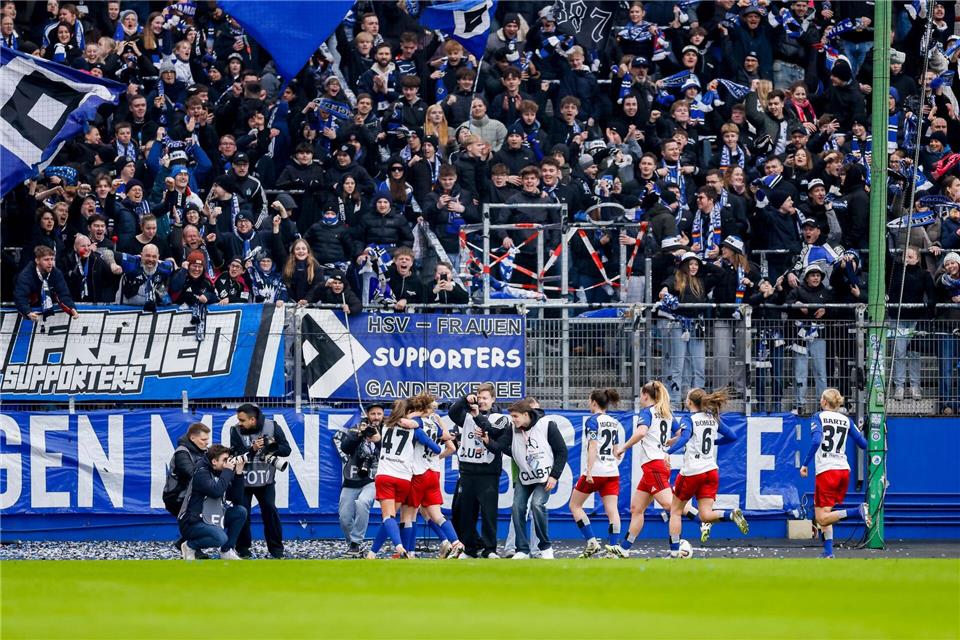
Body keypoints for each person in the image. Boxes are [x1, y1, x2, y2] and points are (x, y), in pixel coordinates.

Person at [614, 381, 701, 554]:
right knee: (636, 508)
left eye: (641, 395)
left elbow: (641, 432)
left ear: (646, 396)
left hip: (653, 465)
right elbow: (682, 434)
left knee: (671, 505)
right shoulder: (666, 412)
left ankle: (702, 520)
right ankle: (624, 548)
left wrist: (623, 448)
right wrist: (670, 442)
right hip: (657, 465)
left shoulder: (647, 412)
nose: (640, 398)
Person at [666, 388, 749, 557]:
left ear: (690, 402)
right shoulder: (712, 418)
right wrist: (714, 442)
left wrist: (668, 452)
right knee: (705, 515)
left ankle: (674, 553)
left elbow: (685, 437)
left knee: (675, 511)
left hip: (692, 471)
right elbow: (732, 436)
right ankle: (730, 514)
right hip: (711, 471)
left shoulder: (689, 419)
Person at [483, 397, 568, 560]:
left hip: (545, 476)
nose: (513, 420)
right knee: (517, 508)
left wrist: (554, 476)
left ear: (526, 414)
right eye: (511, 416)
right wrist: (487, 441)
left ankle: (545, 547)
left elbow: (561, 451)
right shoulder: (512, 429)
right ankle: (522, 549)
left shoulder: (547, 425)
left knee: (537, 505)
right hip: (525, 476)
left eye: (515, 416)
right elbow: (500, 447)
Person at [800, 389, 871, 558]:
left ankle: (856, 511)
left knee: (821, 518)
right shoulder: (846, 420)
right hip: (843, 470)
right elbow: (863, 444)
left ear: (824, 402)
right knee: (826, 513)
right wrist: (863, 430)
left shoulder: (819, 417)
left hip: (827, 471)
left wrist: (805, 464)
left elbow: (816, 440)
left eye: (821, 398)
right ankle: (828, 553)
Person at [367, 399, 443, 559]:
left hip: (385, 475)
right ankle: (372, 553)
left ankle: (399, 547)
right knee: (392, 517)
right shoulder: (415, 429)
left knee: (388, 517)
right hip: (404, 478)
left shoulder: (385, 425)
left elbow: (376, 435)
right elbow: (436, 449)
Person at [448, 383, 509, 559]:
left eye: (485, 398)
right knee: (467, 513)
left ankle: (490, 549)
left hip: (488, 472)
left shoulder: (500, 418)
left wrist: (477, 416)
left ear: (493, 399)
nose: (481, 401)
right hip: (468, 470)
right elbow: (452, 412)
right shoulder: (466, 415)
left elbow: (491, 431)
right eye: (479, 397)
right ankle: (469, 549)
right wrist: (464, 399)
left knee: (489, 513)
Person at [398, 394, 461, 559]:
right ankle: (456, 543)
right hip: (433, 472)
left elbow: (407, 423)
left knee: (408, 515)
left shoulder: (417, 421)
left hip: (418, 472)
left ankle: (409, 552)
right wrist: (439, 422)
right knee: (436, 514)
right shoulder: (434, 423)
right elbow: (447, 439)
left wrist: (398, 417)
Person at [229, 403, 291, 559]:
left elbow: (286, 450)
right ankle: (243, 549)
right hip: (243, 481)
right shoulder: (235, 430)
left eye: (242, 420)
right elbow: (236, 454)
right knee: (242, 514)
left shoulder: (272, 426)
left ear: (252, 420)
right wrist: (253, 449)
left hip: (266, 481)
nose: (239, 423)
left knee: (270, 512)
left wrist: (272, 447)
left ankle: (276, 550)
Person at [568, 388, 624, 559]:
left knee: (575, 505)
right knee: (612, 511)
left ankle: (592, 542)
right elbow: (616, 450)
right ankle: (613, 548)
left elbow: (593, 446)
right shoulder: (613, 422)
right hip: (612, 471)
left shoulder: (593, 421)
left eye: (589, 400)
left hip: (596, 471)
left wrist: (589, 470)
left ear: (593, 402)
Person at [177, 444, 247, 561]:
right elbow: (216, 491)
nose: (227, 463)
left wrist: (239, 473)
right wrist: (228, 471)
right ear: (214, 461)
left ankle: (226, 551)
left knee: (240, 511)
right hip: (192, 522)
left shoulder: (222, 473)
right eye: (224, 460)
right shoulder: (201, 472)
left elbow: (237, 499)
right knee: (220, 538)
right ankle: (189, 546)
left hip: (212, 517)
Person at [333, 404, 384, 557]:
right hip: (352, 479)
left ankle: (355, 542)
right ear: (367, 415)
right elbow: (345, 447)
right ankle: (354, 547)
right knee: (344, 517)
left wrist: (378, 440)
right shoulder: (357, 428)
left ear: (383, 415)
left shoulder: (387, 430)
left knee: (363, 503)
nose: (376, 417)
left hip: (373, 478)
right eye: (373, 413)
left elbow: (390, 452)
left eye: (379, 413)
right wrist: (359, 434)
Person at [162, 422, 211, 556]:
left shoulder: (203, 451)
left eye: (207, 439)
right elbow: (191, 473)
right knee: (198, 518)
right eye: (203, 439)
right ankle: (191, 546)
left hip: (190, 496)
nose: (207, 442)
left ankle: (185, 543)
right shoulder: (182, 453)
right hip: (177, 497)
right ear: (192, 438)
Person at [14, 246, 79, 321]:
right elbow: (20, 297)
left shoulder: (56, 273)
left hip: (49, 313)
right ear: (37, 260)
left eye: (52, 259)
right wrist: (27, 312)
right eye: (46, 259)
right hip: (32, 310)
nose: (50, 263)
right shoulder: (26, 275)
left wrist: (71, 308)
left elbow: (63, 294)